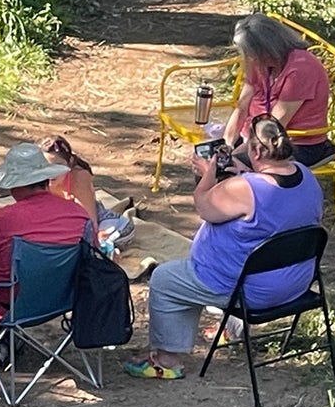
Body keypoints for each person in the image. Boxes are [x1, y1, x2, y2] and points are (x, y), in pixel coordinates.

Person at [125, 115, 323, 379]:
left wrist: (208, 174)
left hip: (251, 290)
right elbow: (271, 194)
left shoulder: (245, 188)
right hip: (296, 283)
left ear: (255, 150)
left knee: (166, 278)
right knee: (190, 269)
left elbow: (204, 206)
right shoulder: (306, 175)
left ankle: (166, 360)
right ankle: (228, 330)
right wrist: (244, 174)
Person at [0, 144, 92, 365]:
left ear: (15, 185)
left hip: (12, 305)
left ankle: (0, 342)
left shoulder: (2, 219)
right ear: (45, 180)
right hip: (65, 298)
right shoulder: (78, 214)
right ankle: (3, 342)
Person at [223, 14, 335, 168]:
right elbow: (242, 106)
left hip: (292, 142)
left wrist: (235, 156)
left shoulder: (301, 68)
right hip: (256, 135)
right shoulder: (258, 60)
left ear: (269, 48)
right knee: (210, 159)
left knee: (227, 170)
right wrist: (226, 145)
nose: (251, 60)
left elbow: (274, 125)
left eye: (253, 54)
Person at [41, 135, 134, 244]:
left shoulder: (78, 177)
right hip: (59, 222)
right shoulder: (35, 177)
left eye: (58, 166)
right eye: (45, 166)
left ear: (70, 162)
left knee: (101, 240)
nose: (52, 172)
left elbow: (90, 221)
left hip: (95, 221)